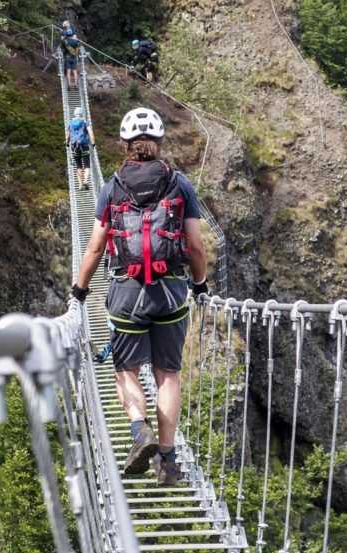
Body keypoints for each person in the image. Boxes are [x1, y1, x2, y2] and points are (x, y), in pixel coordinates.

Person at [71, 108, 209, 486]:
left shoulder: (112, 186)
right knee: (168, 375)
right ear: (159, 143)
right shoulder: (179, 184)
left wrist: (80, 290)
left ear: (125, 144)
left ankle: (139, 431)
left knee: (125, 371)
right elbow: (195, 247)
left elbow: (96, 247)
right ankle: (166, 461)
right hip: (170, 293)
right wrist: (199, 285)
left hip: (126, 294)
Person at [66, 106, 95, 189]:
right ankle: (86, 180)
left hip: (74, 146)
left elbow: (67, 135)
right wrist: (93, 144)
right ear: (82, 114)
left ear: (74, 114)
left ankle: (80, 185)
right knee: (87, 165)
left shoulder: (70, 122)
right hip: (84, 145)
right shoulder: (85, 122)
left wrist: (67, 144)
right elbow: (90, 133)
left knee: (78, 166)